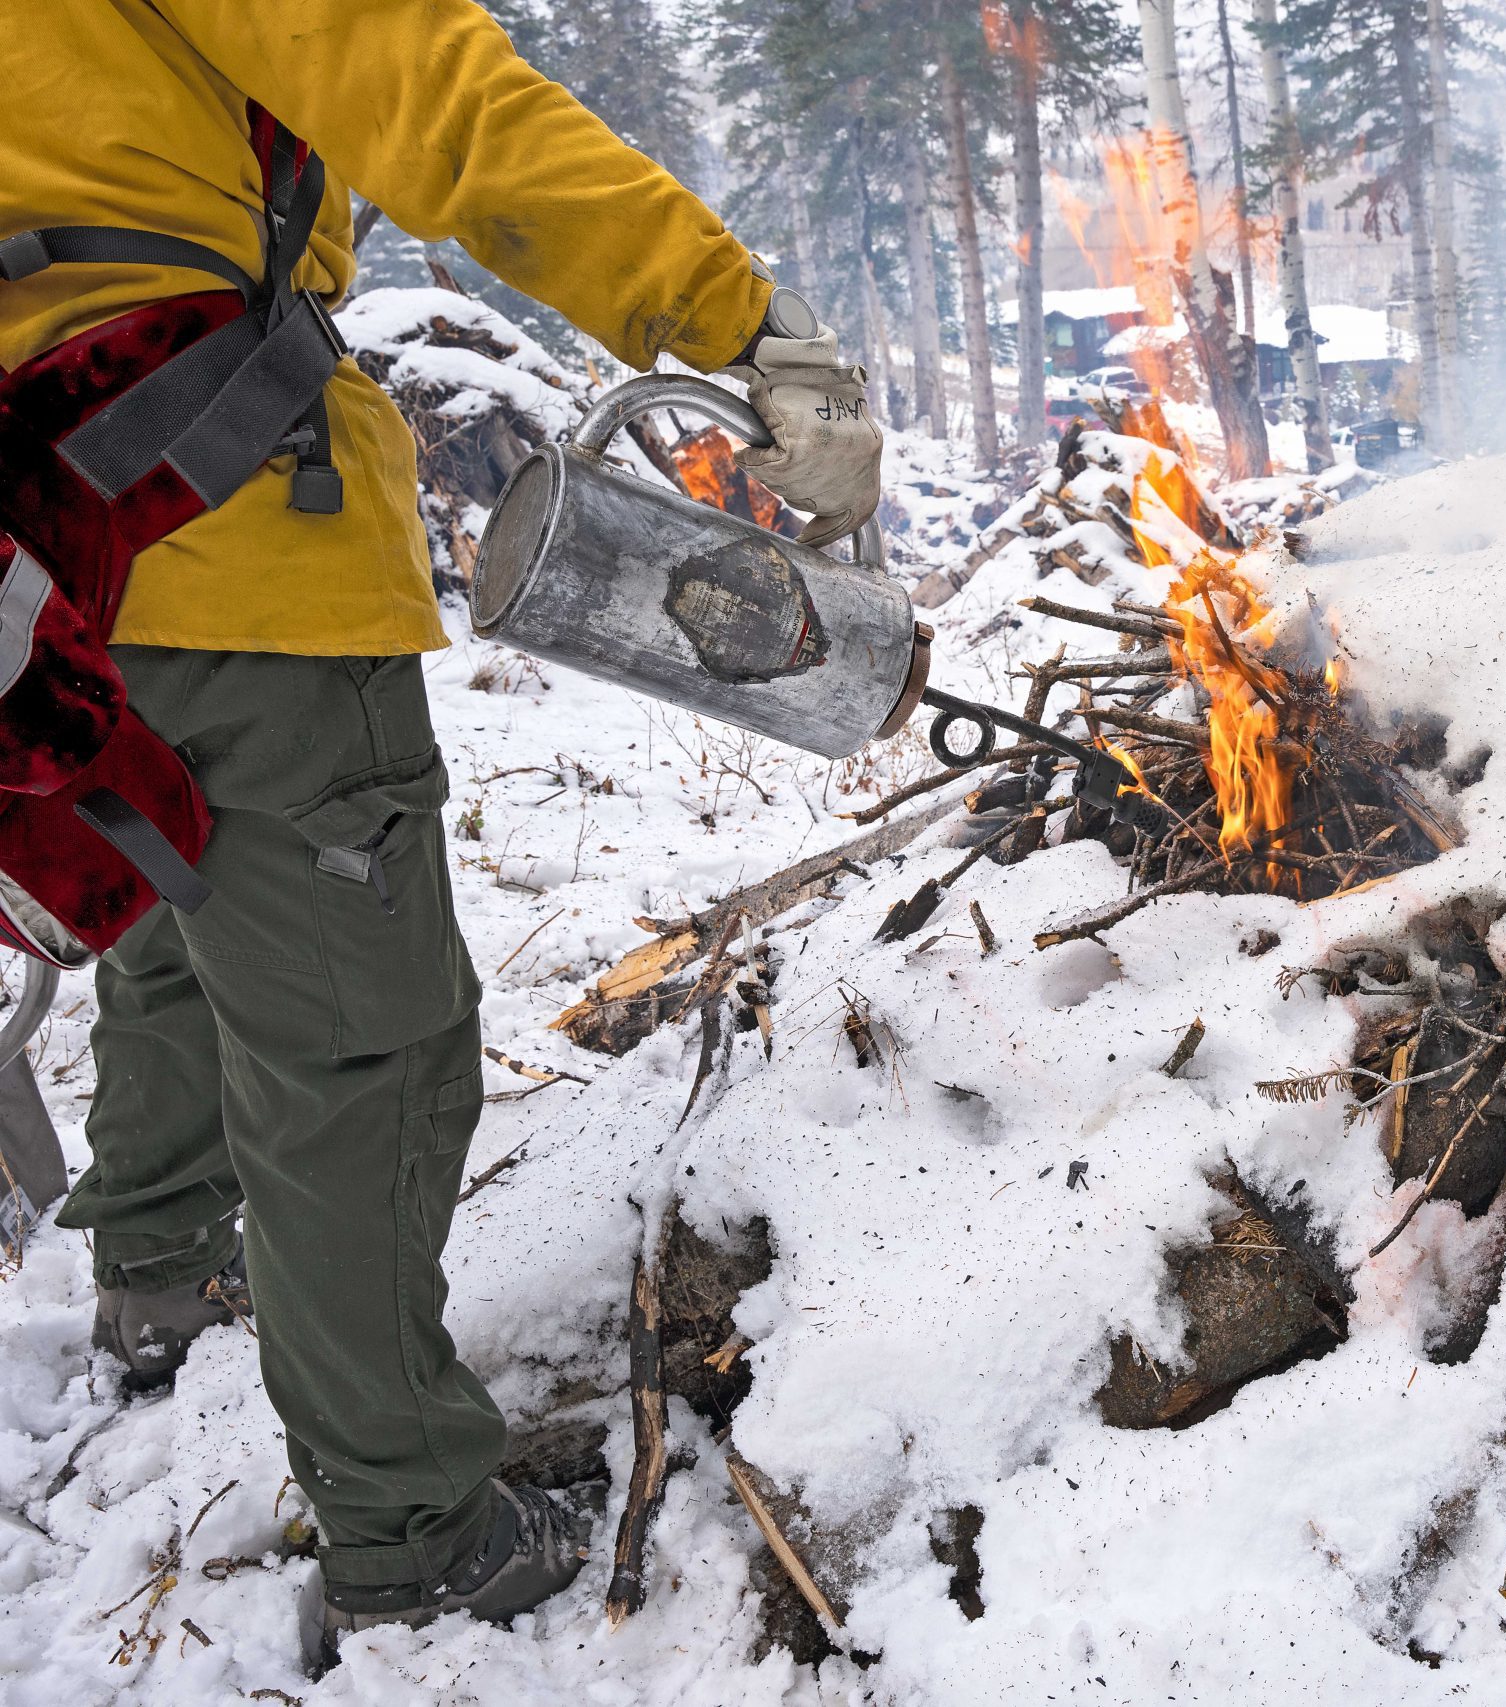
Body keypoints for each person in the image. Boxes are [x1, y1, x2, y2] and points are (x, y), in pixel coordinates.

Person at [0, 0, 883, 1659]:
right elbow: (434, 95)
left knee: (170, 874)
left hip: (29, 575)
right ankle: (414, 1528)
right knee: (361, 1048)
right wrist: (748, 327)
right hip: (217, 523)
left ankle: (160, 1263)